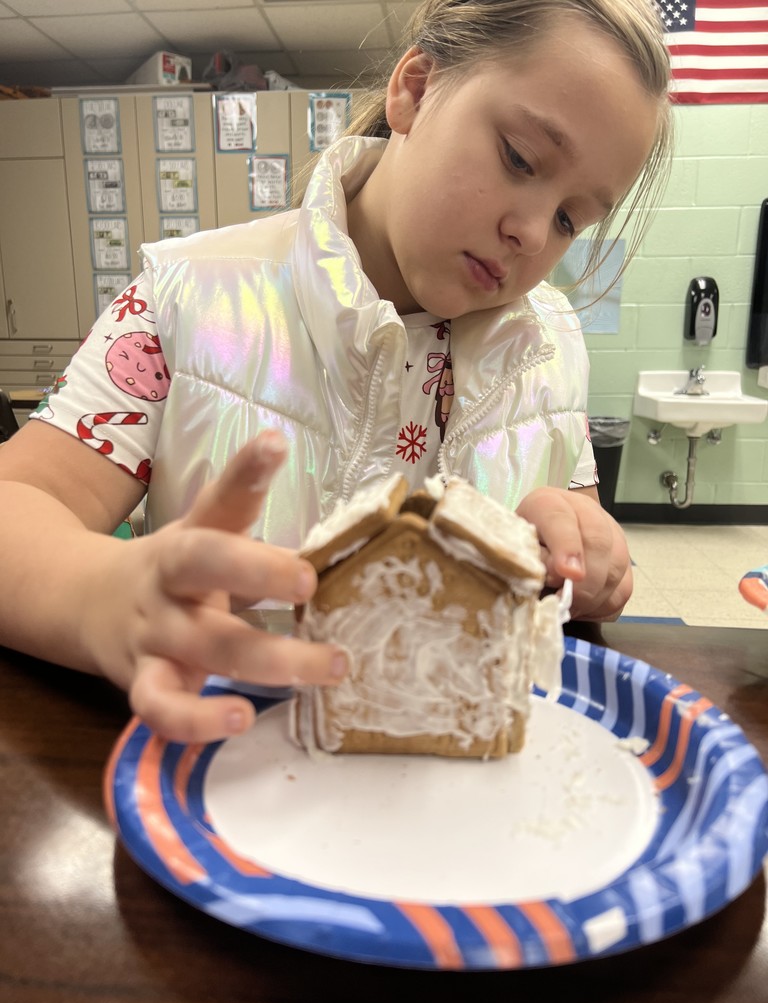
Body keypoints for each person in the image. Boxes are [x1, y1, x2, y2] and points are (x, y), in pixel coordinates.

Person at [0, 0, 673, 745]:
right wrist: (99, 596)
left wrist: (589, 565)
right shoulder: (183, 299)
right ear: (415, 88)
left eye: (571, 221)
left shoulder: (551, 346)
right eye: (518, 157)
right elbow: (17, 502)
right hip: (237, 772)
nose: (530, 231)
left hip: (466, 802)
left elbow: (581, 559)